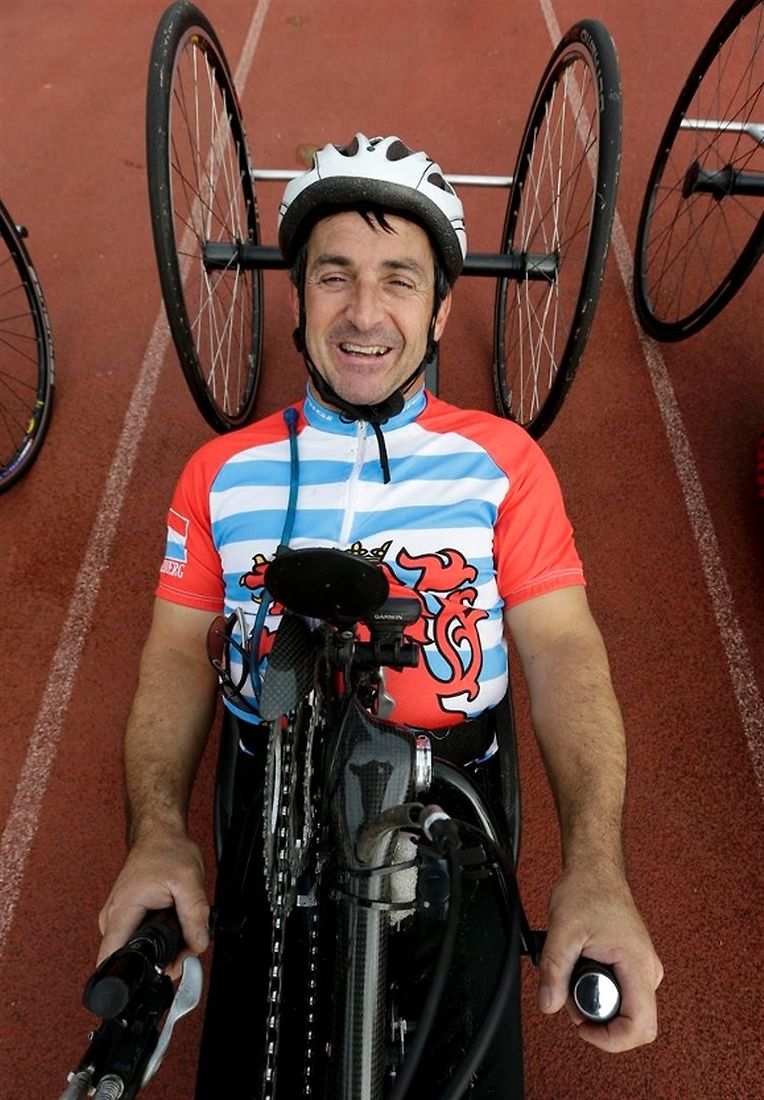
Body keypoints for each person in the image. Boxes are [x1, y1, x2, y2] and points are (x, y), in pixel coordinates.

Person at [98, 134, 662, 1087]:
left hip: (449, 807)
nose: (364, 313)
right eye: (335, 277)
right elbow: (172, 658)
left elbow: (565, 649)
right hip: (274, 803)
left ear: (439, 310)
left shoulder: (505, 463)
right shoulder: (220, 473)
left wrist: (597, 870)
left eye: (399, 280)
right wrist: (157, 832)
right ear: (299, 300)